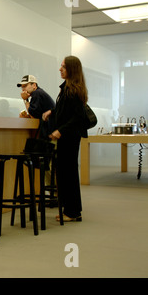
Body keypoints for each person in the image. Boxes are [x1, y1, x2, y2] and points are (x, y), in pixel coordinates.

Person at [42, 56, 88, 222]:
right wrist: (52, 112)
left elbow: (77, 117)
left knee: (68, 173)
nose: (60, 69)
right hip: (68, 136)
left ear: (71, 69)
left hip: (69, 137)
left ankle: (73, 211)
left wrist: (60, 131)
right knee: (65, 172)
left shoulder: (73, 90)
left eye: (63, 67)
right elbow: (66, 110)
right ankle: (70, 209)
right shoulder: (68, 88)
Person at [18, 75, 55, 141]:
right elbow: (36, 115)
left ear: (34, 85)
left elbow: (33, 115)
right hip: (51, 131)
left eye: (25, 86)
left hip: (49, 133)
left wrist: (25, 100)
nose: (23, 89)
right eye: (22, 87)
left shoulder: (37, 93)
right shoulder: (39, 93)